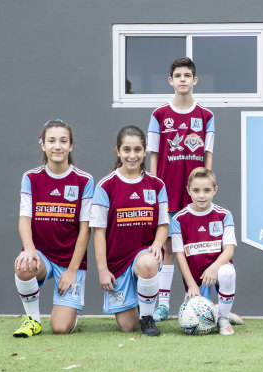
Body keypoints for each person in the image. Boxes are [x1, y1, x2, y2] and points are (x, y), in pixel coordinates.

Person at [147, 57, 215, 322]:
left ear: (195, 80)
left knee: (196, 246)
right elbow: (154, 154)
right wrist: (154, 185)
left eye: (188, 75)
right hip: (168, 189)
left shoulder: (206, 115)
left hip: (193, 194)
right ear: (171, 81)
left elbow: (207, 153)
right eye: (178, 75)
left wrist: (205, 179)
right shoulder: (159, 115)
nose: (183, 79)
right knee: (167, 248)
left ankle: (198, 301)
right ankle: (162, 304)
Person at [13, 120, 94, 337]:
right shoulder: (30, 177)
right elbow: (24, 219)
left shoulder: (84, 180)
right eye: (51, 141)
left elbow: (85, 230)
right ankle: (33, 320)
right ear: (43, 145)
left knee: (60, 328)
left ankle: (72, 309)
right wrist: (29, 250)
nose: (57, 146)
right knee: (24, 265)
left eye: (63, 141)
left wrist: (72, 270)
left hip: (70, 261)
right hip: (42, 256)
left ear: (71, 146)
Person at [90, 126, 168, 336]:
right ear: (117, 151)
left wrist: (158, 245)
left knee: (148, 263)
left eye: (137, 150)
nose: (132, 156)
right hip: (117, 264)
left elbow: (163, 224)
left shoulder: (156, 185)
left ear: (145, 152)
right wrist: (103, 270)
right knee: (126, 326)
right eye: (127, 150)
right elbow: (98, 233)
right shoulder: (105, 186)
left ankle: (148, 318)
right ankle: (138, 304)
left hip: (142, 255)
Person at [171, 167, 237, 335]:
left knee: (228, 272)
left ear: (215, 190)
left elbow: (229, 250)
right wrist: (191, 284)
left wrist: (214, 268)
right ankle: (219, 309)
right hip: (195, 278)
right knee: (196, 321)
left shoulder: (224, 215)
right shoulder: (179, 219)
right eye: (196, 190)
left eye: (207, 190)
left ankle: (223, 318)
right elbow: (180, 255)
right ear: (188, 191)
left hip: (217, 270)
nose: (201, 195)